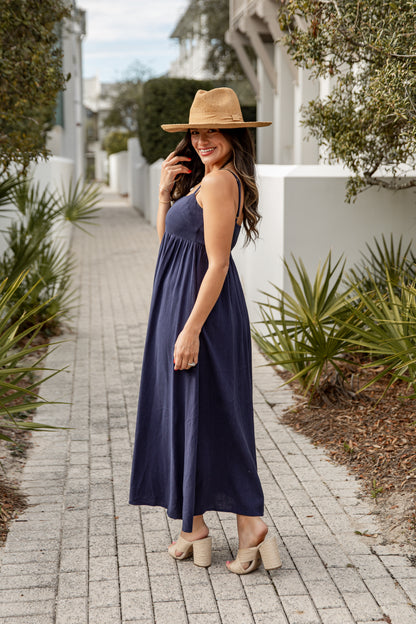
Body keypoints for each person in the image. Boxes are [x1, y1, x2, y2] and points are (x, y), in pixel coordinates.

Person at [129, 87, 281, 575]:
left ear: (233, 134)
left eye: (212, 131)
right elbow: (170, 246)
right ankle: (193, 528)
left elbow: (217, 264)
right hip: (179, 306)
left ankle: (250, 522)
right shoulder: (206, 180)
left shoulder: (220, 184)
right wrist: (162, 195)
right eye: (196, 132)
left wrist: (191, 330)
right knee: (185, 412)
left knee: (214, 413)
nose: (202, 140)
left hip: (204, 315)